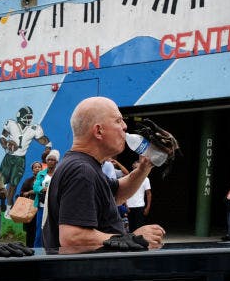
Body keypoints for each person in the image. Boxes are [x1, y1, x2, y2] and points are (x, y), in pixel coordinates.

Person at [42, 96, 165, 252]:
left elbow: (117, 194)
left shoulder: (85, 166)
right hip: (87, 274)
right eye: (118, 121)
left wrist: (145, 166)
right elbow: (73, 238)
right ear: (99, 131)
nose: (125, 126)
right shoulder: (81, 171)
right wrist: (132, 239)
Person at [0, 106, 49, 210]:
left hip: (20, 159)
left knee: (14, 184)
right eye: (26, 117)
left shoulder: (33, 128)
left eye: (30, 117)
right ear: (20, 116)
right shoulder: (11, 124)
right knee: (1, 182)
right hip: (9, 157)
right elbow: (3, 137)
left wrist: (48, 146)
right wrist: (6, 145)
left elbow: (42, 140)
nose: (28, 119)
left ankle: (9, 207)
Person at [19, 160, 44, 246]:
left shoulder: (45, 180)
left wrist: (35, 190)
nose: (37, 168)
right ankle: (30, 249)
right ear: (32, 170)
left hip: (42, 208)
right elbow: (21, 193)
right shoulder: (28, 181)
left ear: (42, 168)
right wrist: (29, 192)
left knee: (40, 230)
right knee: (30, 230)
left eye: (39, 167)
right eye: (35, 167)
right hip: (30, 209)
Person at [125, 160, 152, 232]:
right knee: (131, 228)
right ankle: (132, 242)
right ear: (132, 167)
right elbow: (124, 192)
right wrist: (126, 205)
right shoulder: (128, 178)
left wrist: (148, 207)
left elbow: (148, 194)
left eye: (138, 167)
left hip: (140, 206)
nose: (136, 169)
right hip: (130, 206)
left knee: (140, 227)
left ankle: (139, 242)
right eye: (135, 167)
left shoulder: (146, 179)